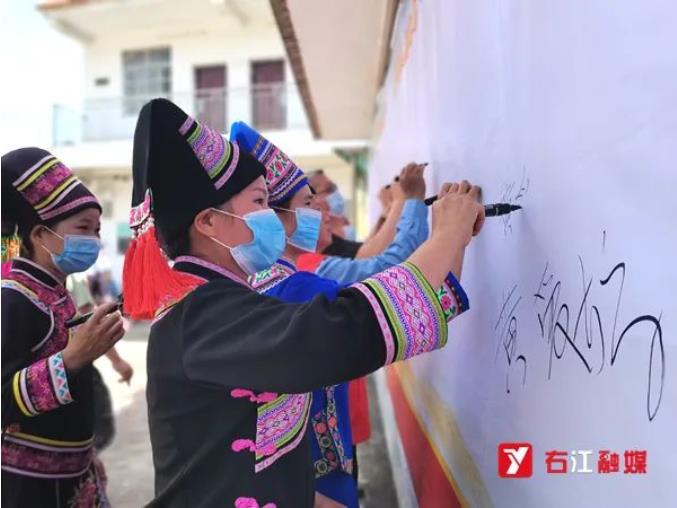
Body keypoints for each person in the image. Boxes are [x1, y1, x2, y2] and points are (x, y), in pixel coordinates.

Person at [122, 98, 483, 508]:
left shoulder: (223, 303)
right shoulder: (204, 316)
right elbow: (346, 330)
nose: (270, 218)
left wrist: (455, 238)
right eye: (259, 203)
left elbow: (250, 459)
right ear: (207, 222)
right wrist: (446, 234)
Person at [1, 147, 125, 507]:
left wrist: (87, 455)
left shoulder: (56, 294)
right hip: (29, 485)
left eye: (97, 230)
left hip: (72, 472)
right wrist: (71, 358)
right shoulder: (14, 299)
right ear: (40, 234)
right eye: (83, 229)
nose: (94, 240)